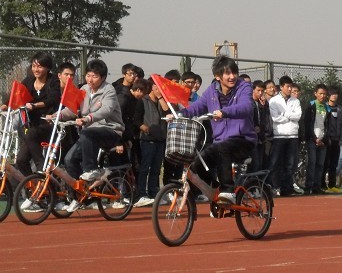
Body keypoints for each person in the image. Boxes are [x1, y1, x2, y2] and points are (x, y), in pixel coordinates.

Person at [179, 56, 256, 202]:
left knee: (222, 148)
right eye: (227, 73)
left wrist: (225, 112)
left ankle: (228, 191)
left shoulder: (244, 87)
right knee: (197, 164)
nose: (232, 77)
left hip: (243, 140)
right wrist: (179, 114)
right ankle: (216, 190)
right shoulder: (211, 91)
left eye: (234, 72)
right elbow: (197, 107)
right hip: (220, 141)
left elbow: (246, 106)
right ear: (217, 76)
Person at [60, 59, 124, 213]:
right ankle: (80, 196)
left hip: (110, 131)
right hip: (89, 134)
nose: (90, 79)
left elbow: (106, 110)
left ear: (102, 78)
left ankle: (92, 169)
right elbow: (72, 109)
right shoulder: (83, 89)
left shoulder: (109, 90)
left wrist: (88, 118)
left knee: (87, 132)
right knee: (69, 160)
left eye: (94, 76)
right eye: (88, 75)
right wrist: (56, 116)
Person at [15, 52, 61, 178]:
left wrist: (35, 105)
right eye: (34, 66)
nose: (36, 69)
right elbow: (16, 95)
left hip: (48, 124)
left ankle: (41, 168)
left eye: (40, 66)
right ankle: (34, 185)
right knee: (21, 161)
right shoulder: (28, 81)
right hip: (32, 126)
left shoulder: (53, 81)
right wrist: (4, 106)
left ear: (47, 68)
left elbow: (53, 99)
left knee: (31, 133)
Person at [132, 79, 170, 208]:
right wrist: (146, 129)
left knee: (156, 169)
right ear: (152, 87)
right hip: (147, 141)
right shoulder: (143, 101)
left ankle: (154, 193)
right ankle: (142, 193)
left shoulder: (162, 101)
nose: (160, 89)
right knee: (145, 168)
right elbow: (136, 120)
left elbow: (168, 113)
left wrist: (160, 97)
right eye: (157, 86)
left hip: (161, 140)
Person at [268, 75, 302, 197]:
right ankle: (275, 187)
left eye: (291, 86)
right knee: (277, 163)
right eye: (287, 86)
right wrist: (289, 116)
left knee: (291, 164)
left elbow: (298, 116)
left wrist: (284, 114)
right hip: (279, 136)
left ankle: (287, 188)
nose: (290, 89)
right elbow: (275, 118)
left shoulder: (295, 101)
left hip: (293, 136)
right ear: (281, 87)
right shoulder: (274, 101)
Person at [300, 84, 332, 194]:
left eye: (324, 94)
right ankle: (308, 187)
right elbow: (307, 123)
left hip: (323, 140)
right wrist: (314, 138)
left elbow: (328, 125)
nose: (322, 96)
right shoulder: (310, 106)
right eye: (320, 93)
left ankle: (316, 187)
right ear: (315, 94)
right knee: (311, 163)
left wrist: (324, 139)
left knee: (320, 165)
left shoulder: (327, 108)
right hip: (312, 140)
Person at [323, 87, 342, 192]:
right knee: (325, 163)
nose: (334, 96)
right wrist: (326, 138)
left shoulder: (340, 109)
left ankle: (332, 185)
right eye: (332, 94)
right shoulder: (324, 107)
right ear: (328, 96)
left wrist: (341, 139)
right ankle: (322, 185)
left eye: (336, 94)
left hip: (337, 140)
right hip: (327, 140)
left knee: (334, 164)